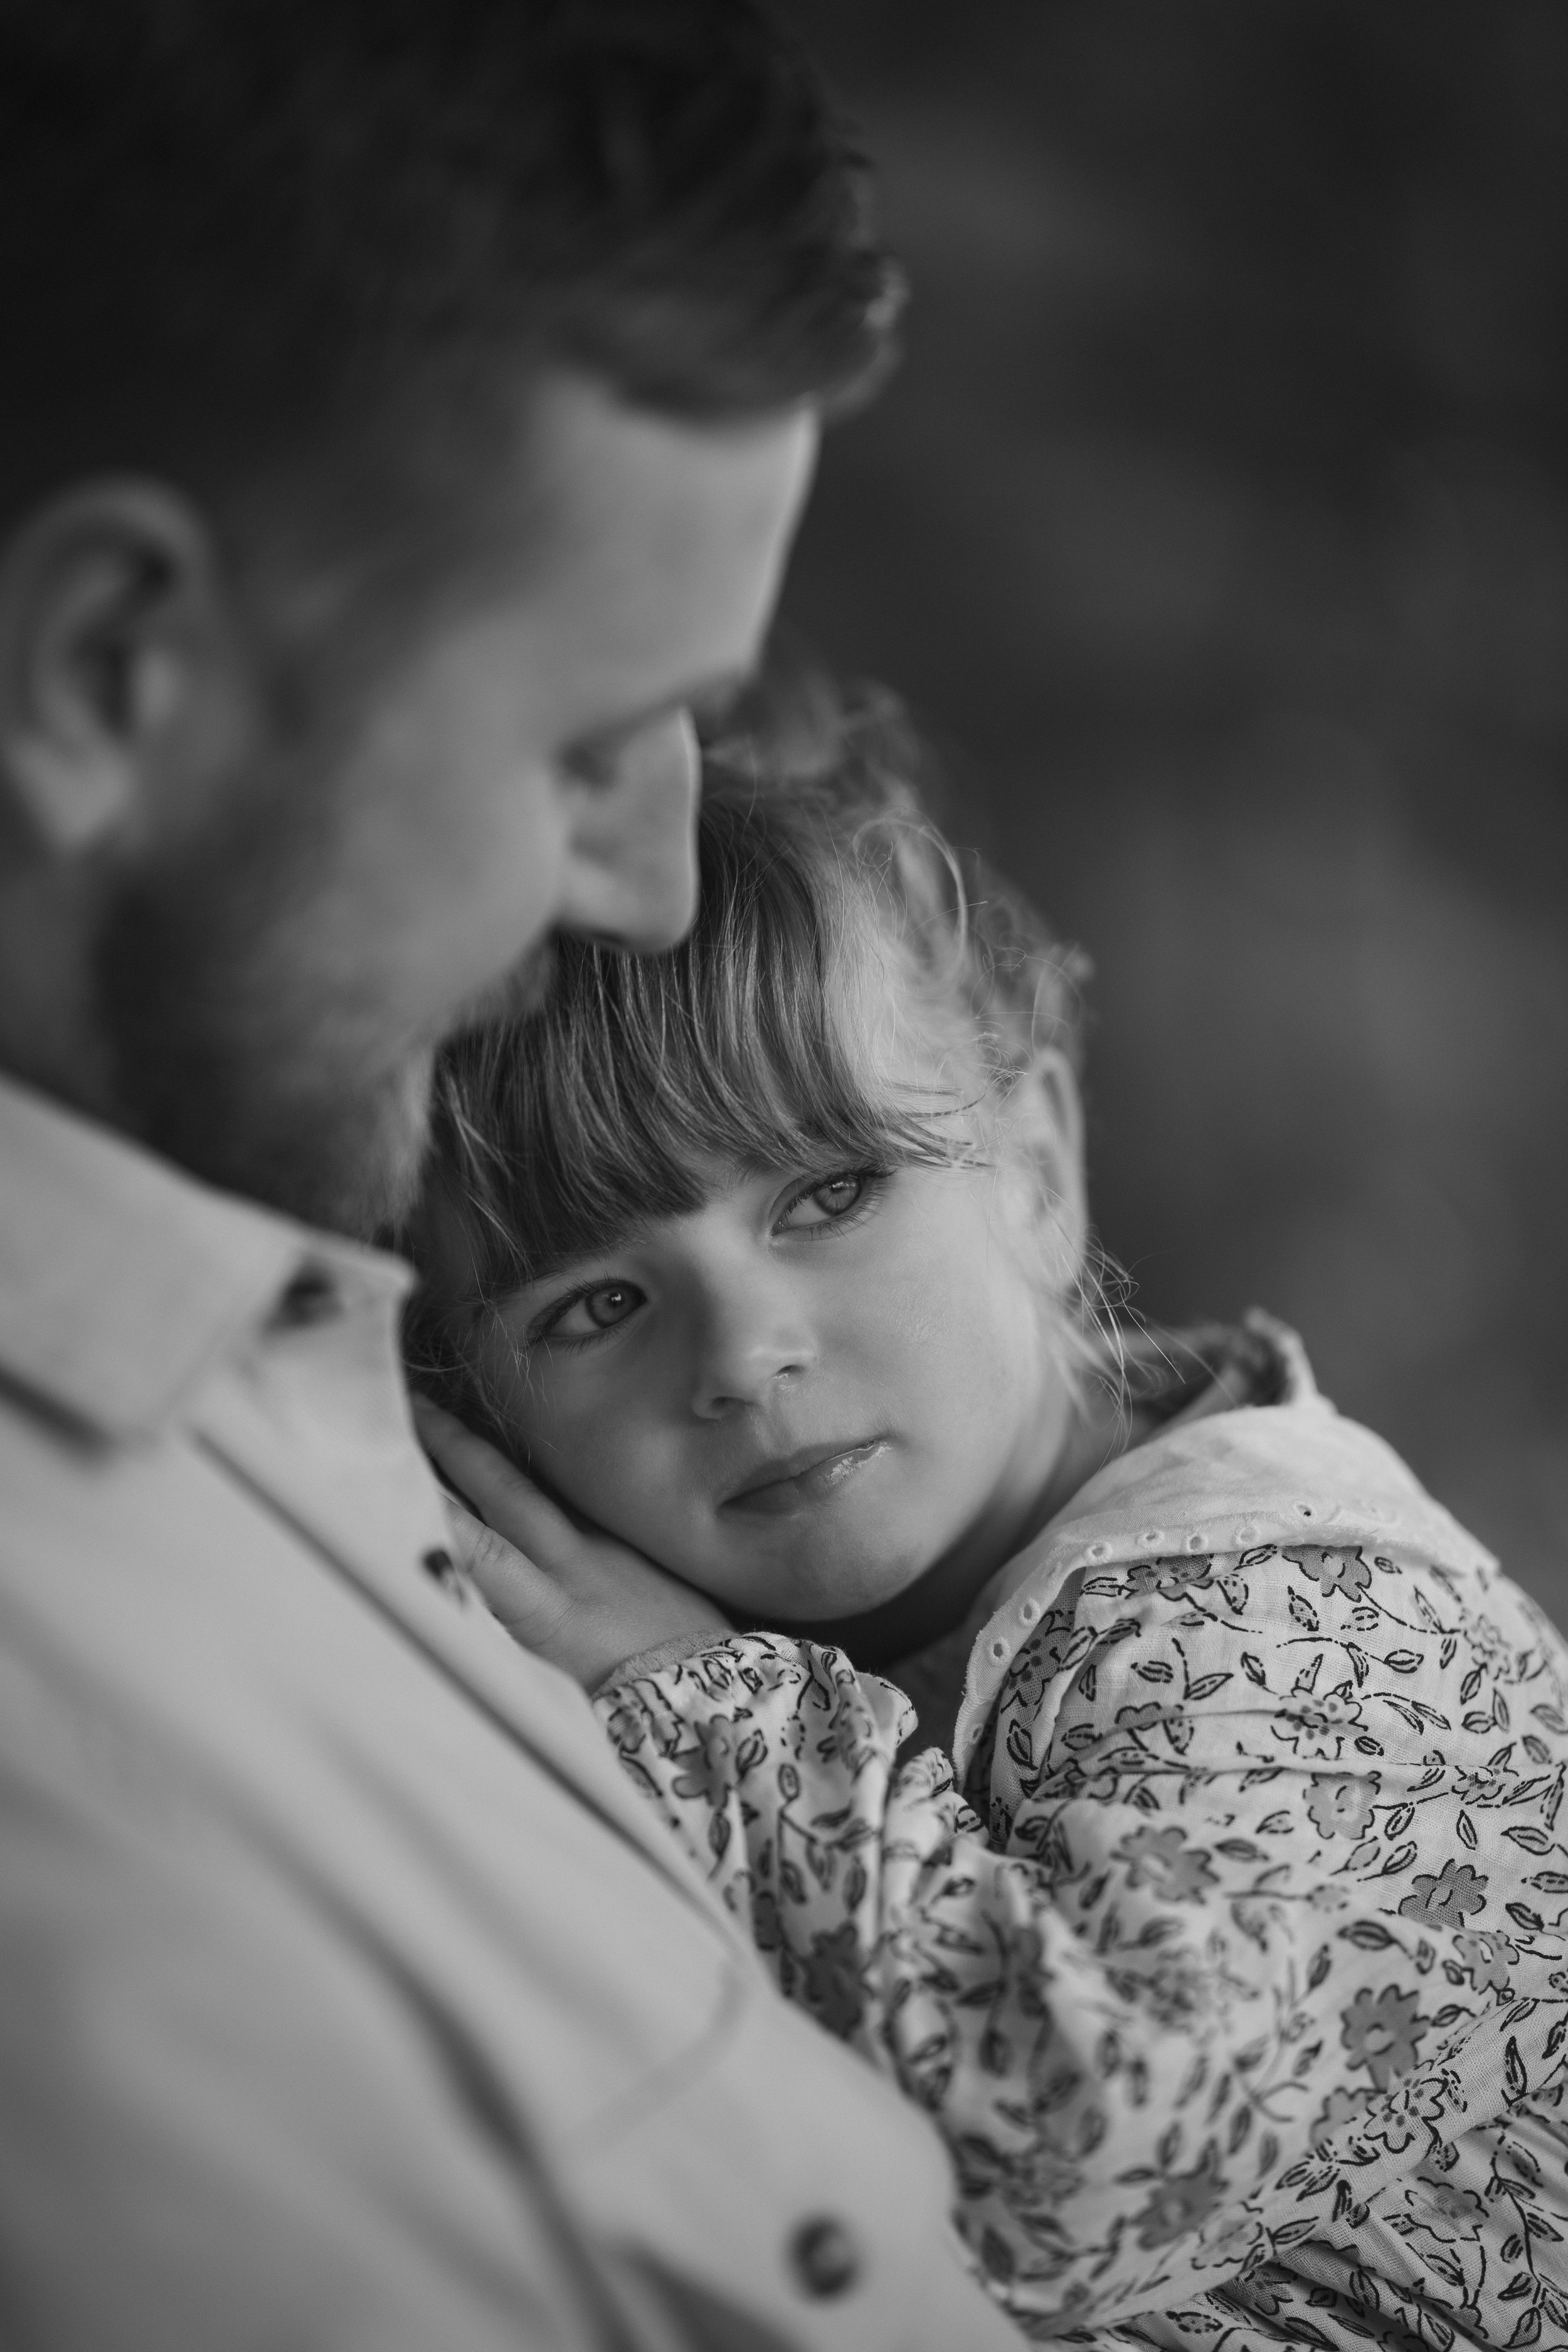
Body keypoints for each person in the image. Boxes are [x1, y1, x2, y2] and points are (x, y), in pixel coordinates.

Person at [0, 6, 1028, 2344]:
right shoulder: (70, 1824)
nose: (655, 886)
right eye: (581, 736)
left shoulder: (306, 1361)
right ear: (106, 673)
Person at [411, 696, 1568, 2351]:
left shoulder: (1287, 1614)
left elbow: (1094, 2161)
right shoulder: (878, 1631)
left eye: (825, 1196)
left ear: (1030, 1168)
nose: (742, 1356)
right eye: (593, 1307)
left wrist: (707, 1715)